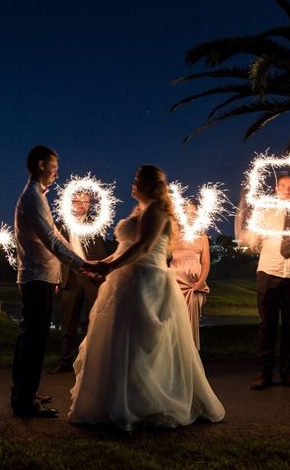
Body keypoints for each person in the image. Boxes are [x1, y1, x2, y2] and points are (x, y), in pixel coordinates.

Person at [68, 165, 225, 431]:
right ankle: (120, 400)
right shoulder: (140, 210)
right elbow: (125, 247)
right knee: (121, 340)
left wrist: (108, 268)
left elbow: (143, 247)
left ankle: (147, 403)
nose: (133, 182)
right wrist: (100, 262)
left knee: (143, 343)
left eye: (138, 179)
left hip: (146, 282)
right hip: (126, 280)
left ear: (149, 185)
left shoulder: (157, 210)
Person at [11, 145, 95, 418]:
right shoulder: (33, 198)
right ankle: (24, 401)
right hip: (37, 277)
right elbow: (49, 238)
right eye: (53, 167)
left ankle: (26, 392)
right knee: (33, 339)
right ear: (39, 166)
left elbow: (56, 235)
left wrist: (80, 262)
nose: (57, 173)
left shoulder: (39, 196)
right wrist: (81, 265)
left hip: (43, 277)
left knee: (32, 337)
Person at [235, 173, 290, 392]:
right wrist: (242, 221)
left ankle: (289, 373)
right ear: (276, 189)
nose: (286, 190)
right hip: (269, 273)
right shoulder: (264, 215)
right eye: (283, 186)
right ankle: (263, 374)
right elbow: (253, 245)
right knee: (267, 325)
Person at [48, 191, 111, 374]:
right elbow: (57, 253)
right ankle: (66, 360)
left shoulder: (96, 223)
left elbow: (101, 248)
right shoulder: (61, 225)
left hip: (91, 276)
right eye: (77, 200)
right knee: (68, 321)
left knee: (97, 317)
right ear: (71, 203)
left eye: (86, 201)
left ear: (90, 204)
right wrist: (58, 277)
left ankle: (96, 360)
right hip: (71, 276)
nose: (81, 204)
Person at [170, 201, 210, 351]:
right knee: (175, 320)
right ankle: (175, 356)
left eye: (194, 213)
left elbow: (205, 262)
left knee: (190, 322)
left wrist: (201, 282)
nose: (191, 216)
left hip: (194, 285)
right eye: (187, 212)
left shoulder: (202, 236)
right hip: (174, 283)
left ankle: (190, 356)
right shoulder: (173, 234)